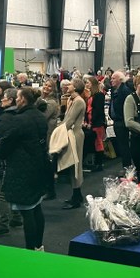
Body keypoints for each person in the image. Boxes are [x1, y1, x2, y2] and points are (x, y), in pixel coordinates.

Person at [0, 87, 49, 251]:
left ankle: (30, 250)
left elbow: (6, 142)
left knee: (28, 212)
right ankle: (38, 246)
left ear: (23, 100)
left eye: (18, 97)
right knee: (36, 208)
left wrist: (0, 153)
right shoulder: (40, 116)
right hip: (39, 165)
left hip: (22, 168)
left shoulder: (20, 120)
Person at [0, 88, 23, 238]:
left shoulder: (6, 116)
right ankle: (16, 217)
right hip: (17, 157)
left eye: (4, 98)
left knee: (1, 192)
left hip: (5, 158)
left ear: (11, 100)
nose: (1, 99)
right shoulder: (21, 114)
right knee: (13, 188)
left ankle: (3, 224)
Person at [60, 78, 86, 209]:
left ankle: (76, 197)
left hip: (75, 135)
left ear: (75, 87)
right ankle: (77, 195)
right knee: (73, 165)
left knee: (76, 165)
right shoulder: (72, 100)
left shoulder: (78, 101)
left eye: (70, 84)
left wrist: (57, 131)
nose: (67, 86)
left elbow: (69, 121)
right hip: (71, 134)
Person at [109, 71, 132, 168]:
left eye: (113, 78)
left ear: (120, 79)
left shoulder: (125, 91)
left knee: (124, 146)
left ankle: (127, 167)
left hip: (122, 121)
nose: (111, 80)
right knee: (122, 146)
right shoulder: (115, 90)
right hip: (117, 121)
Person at [85, 77, 106, 172]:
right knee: (96, 142)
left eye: (88, 83)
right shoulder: (92, 95)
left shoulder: (99, 95)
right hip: (92, 122)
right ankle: (97, 163)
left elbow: (98, 110)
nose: (86, 84)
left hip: (97, 123)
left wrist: (92, 122)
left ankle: (99, 164)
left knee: (98, 143)